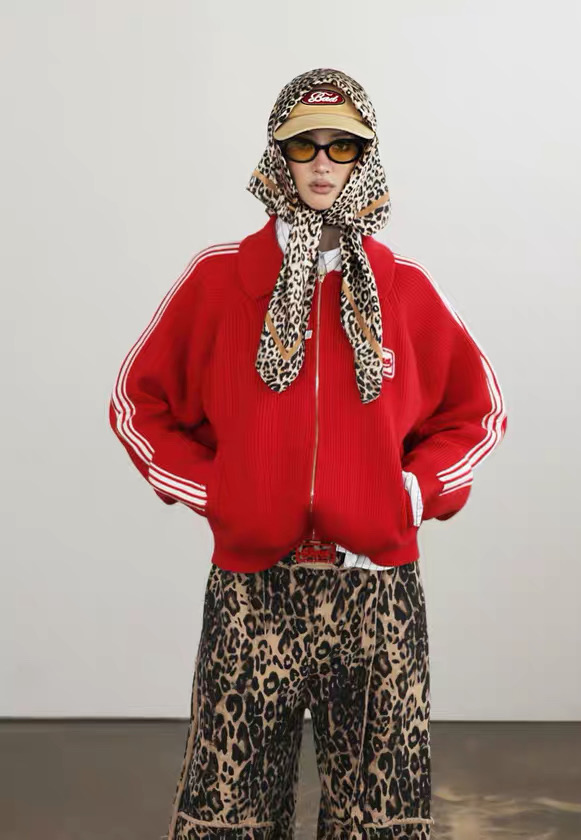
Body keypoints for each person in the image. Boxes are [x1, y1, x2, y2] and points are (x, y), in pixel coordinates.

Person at [109, 67, 507, 840]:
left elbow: (479, 411)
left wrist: (414, 493)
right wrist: (218, 490)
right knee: (228, 817)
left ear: (366, 157)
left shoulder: (404, 289)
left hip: (375, 597)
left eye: (342, 146)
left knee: (378, 821)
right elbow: (137, 402)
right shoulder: (222, 279)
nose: (323, 164)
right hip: (253, 593)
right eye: (304, 146)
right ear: (278, 153)